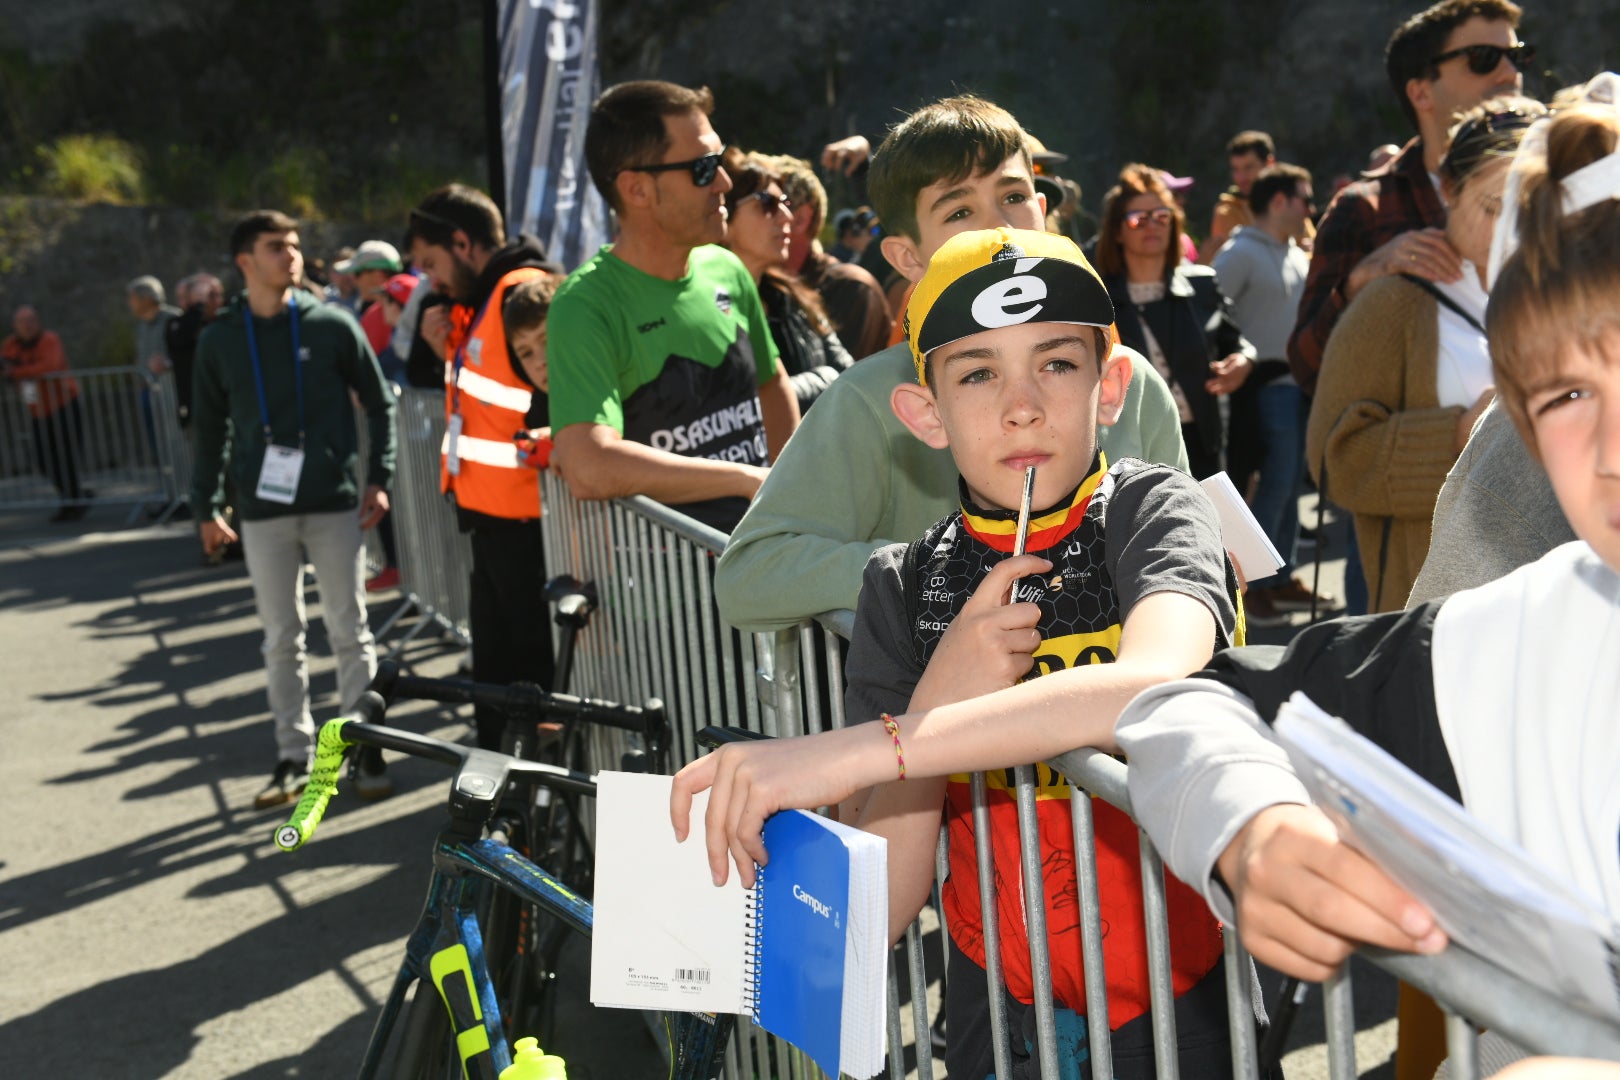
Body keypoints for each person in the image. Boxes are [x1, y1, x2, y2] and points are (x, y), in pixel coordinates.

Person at [1117, 86, 1620, 1080]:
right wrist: (1253, 826)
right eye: (1567, 394)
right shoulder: (1527, 630)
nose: (1611, 450)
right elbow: (1203, 701)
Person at [677, 227, 1242, 1078]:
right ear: (924, 414)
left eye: (1058, 364)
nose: (1023, 406)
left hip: (1182, 992)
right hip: (995, 1007)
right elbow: (885, 905)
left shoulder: (1154, 511)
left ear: (1111, 386)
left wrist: (881, 743)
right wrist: (940, 692)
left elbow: (1156, 681)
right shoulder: (903, 585)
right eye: (978, 373)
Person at [714, 95, 1189, 634]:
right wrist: (940, 571)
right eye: (959, 212)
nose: (998, 227)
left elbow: (1183, 538)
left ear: (1042, 209)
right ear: (907, 257)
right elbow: (751, 574)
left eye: (1014, 196)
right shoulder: (867, 398)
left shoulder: (1132, 381)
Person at [190, 210, 397, 809]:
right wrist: (207, 506)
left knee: (349, 629)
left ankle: (363, 747)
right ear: (245, 261)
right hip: (262, 510)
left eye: (295, 244)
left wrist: (378, 478)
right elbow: (209, 430)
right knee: (282, 637)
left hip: (333, 503)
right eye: (276, 246)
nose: (292, 255)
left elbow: (380, 402)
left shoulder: (331, 323)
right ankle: (293, 755)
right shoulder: (220, 339)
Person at [1305, 97, 1541, 612]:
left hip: (1541, 597)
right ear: (1449, 189)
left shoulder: (1552, 296)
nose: (1509, 229)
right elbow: (1332, 460)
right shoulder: (1393, 302)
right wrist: (1460, 434)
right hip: (1433, 612)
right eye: (1493, 207)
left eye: (1528, 208)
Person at [546, 80, 799, 533]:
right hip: (668, 572)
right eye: (703, 168)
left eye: (719, 161)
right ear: (636, 189)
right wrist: (743, 479)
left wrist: (791, 491)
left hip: (758, 552)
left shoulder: (725, 268)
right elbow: (588, 464)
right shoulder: (584, 305)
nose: (724, 182)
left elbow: (772, 382)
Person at [1287, 0, 1529, 393]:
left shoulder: (1561, 186)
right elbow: (1307, 366)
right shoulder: (1365, 208)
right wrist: (1360, 282)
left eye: (1518, 56)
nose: (1510, 73)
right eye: (1483, 58)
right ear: (1420, 93)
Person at [406, 183, 562, 749]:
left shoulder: (520, 293)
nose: (430, 280)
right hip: (495, 519)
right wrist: (437, 349)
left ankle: (530, 785)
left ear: (462, 243)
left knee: (529, 680)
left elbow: (558, 400)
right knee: (497, 674)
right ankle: (501, 779)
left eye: (431, 263)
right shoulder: (483, 299)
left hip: (531, 526)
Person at [1213, 164, 1336, 622]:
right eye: (1305, 198)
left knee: (1288, 484)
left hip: (1297, 386)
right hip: (1264, 388)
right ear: (1280, 201)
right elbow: (1211, 310)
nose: (1311, 208)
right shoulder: (1240, 253)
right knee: (1275, 484)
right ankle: (1254, 583)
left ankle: (1279, 577)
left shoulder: (1293, 253)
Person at [1096, 164, 1256, 480]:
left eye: (1162, 216)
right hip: (1136, 445)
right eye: (1138, 219)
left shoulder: (1203, 285)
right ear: (1117, 230)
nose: (1152, 226)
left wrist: (1244, 360)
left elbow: (1237, 343)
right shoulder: (1097, 297)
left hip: (1203, 439)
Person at [722, 150, 854, 413]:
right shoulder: (707, 305)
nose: (786, 216)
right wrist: (825, 380)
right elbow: (731, 407)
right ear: (724, 216)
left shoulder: (793, 296)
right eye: (766, 203)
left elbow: (852, 379)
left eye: (785, 202)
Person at [768, 153, 892, 361]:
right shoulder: (757, 288)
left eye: (767, 203)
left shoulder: (851, 289)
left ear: (800, 219)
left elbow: (848, 380)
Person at [2, 305, 86, 521]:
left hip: (64, 404)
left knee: (65, 455)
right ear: (15, 325)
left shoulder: (49, 340)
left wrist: (16, 372)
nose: (27, 325)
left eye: (31, 320)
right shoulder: (11, 345)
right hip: (38, 410)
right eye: (22, 321)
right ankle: (73, 496)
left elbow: (49, 366)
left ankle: (73, 500)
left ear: (37, 321)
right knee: (42, 458)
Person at [1199, 131, 1315, 264]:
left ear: (1269, 163)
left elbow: (1312, 248)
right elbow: (1239, 262)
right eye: (1235, 169)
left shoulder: (1284, 202)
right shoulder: (1226, 212)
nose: (1241, 178)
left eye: (1248, 167)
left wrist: (1301, 254)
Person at [165, 273, 225, 429]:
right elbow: (183, 337)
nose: (216, 300)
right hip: (197, 411)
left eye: (218, 294)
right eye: (209, 296)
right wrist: (198, 307)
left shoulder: (227, 323)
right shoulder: (178, 325)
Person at [336, 240, 405, 358]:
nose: (353, 279)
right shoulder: (413, 302)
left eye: (357, 273)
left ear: (378, 275)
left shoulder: (376, 315)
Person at [128, 275, 180, 376]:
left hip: (173, 382)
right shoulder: (142, 325)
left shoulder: (174, 319)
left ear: (147, 298)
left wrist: (167, 363)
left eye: (132, 298)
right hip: (151, 384)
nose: (129, 303)